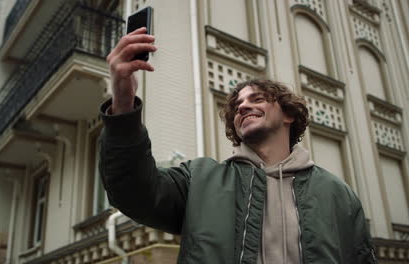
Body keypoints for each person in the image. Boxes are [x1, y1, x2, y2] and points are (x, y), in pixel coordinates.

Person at [99, 27, 377, 263]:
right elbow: (132, 191)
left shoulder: (338, 195)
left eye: (257, 99)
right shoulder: (199, 180)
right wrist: (122, 102)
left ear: (289, 115)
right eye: (238, 105)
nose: (243, 105)